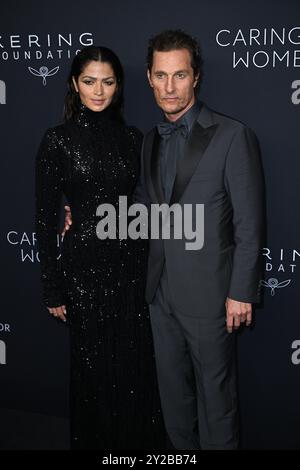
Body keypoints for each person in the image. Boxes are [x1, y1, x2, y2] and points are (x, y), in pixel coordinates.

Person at [134, 29, 265, 450]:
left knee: (216, 403)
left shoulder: (232, 135)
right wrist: (78, 214)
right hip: (160, 293)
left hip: (211, 296)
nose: (170, 87)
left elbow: (249, 221)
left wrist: (241, 290)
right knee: (174, 401)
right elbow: (142, 206)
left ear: (196, 77)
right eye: (161, 76)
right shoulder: (150, 139)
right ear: (150, 79)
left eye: (180, 75)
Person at [35, 45, 165, 449]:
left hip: (132, 268)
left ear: (118, 86)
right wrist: (53, 287)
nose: (98, 90)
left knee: (134, 373)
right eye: (89, 81)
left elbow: (146, 203)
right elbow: (43, 222)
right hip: (84, 272)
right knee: (93, 374)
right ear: (75, 84)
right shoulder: (57, 141)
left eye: (107, 82)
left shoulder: (133, 138)